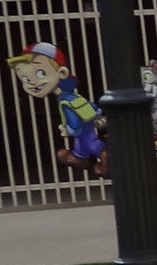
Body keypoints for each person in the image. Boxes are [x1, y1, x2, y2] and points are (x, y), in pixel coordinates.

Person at [6, 41, 105, 177]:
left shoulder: (66, 100)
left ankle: (103, 153)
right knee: (81, 146)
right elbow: (90, 106)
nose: (31, 82)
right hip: (85, 128)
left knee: (90, 143)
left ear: (62, 73)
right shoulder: (71, 96)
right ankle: (79, 157)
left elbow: (73, 119)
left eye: (40, 73)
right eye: (25, 78)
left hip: (81, 130)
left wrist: (69, 129)